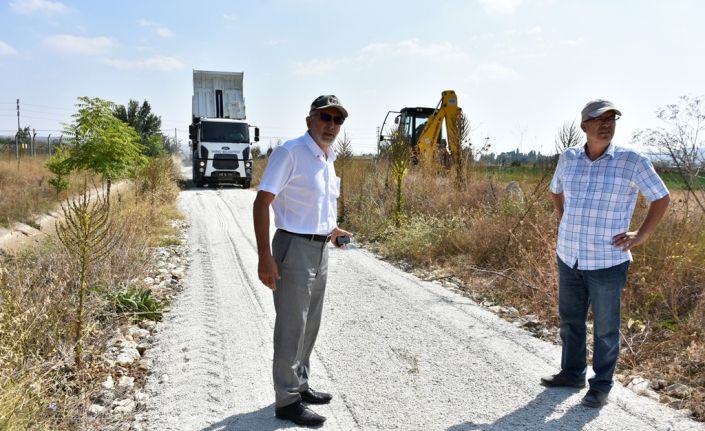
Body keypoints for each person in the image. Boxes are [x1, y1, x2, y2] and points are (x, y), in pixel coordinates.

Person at [541, 99, 670, 408]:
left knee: (606, 328)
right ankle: (572, 373)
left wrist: (643, 233)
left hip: (607, 261)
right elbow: (555, 191)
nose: (607, 123)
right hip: (569, 254)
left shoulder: (632, 161)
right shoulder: (568, 158)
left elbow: (661, 197)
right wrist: (565, 219)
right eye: (600, 118)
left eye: (612, 118)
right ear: (584, 125)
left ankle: (600, 385)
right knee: (571, 321)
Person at [253, 94, 352, 427]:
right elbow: (262, 201)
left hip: (320, 248)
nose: (331, 125)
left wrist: (333, 230)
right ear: (310, 119)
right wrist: (265, 256)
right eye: (326, 117)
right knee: (291, 327)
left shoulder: (327, 157)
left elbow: (316, 208)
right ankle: (286, 400)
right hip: (292, 248)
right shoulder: (290, 152)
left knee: (310, 325)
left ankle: (301, 385)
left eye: (338, 120)